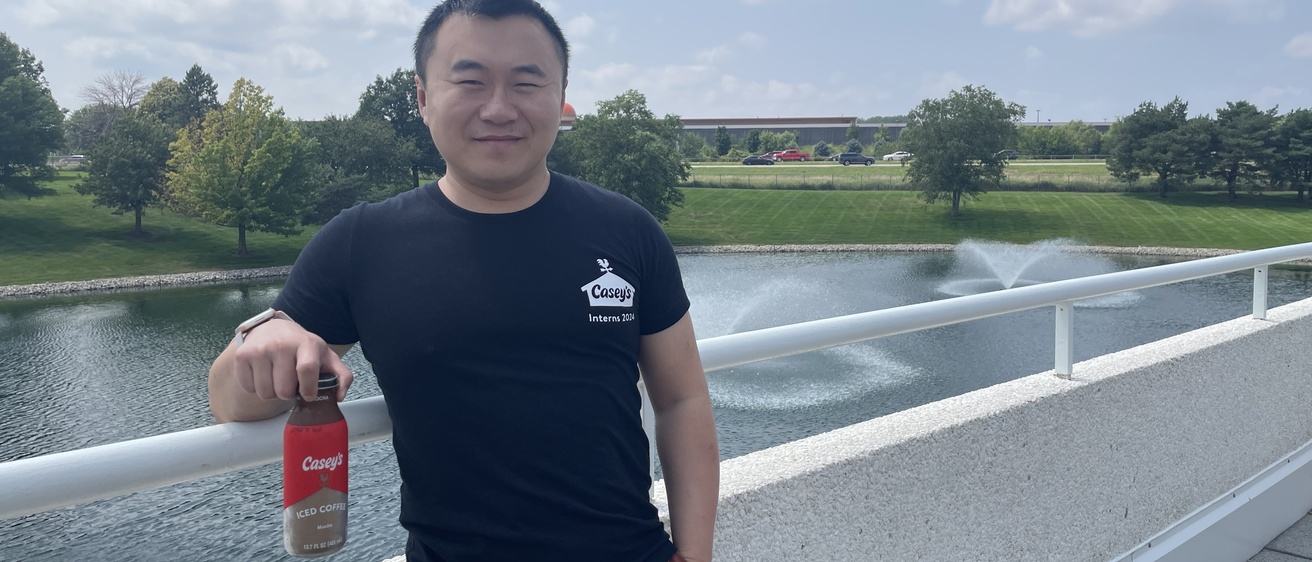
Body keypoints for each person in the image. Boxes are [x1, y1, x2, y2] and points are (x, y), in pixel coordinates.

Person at [206, 0, 719, 561]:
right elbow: (229, 403)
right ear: (424, 98)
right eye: (470, 81)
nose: (498, 109)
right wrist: (264, 336)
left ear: (560, 98)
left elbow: (682, 399)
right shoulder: (362, 243)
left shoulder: (628, 231)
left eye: (527, 83)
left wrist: (694, 554)